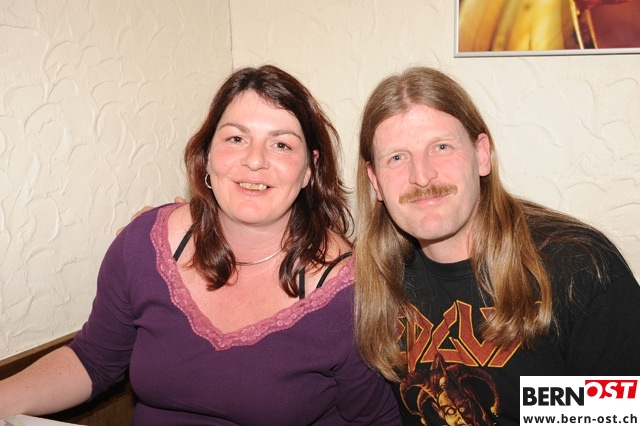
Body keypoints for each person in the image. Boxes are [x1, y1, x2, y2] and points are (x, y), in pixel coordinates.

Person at [0, 65, 400, 425]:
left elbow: (377, 419)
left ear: (310, 169)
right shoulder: (143, 246)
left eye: (281, 144)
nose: (255, 160)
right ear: (207, 155)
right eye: (236, 138)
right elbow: (93, 361)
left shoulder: (350, 295)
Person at [353, 66, 640, 426]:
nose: (421, 176)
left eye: (441, 147)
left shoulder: (576, 267)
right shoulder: (375, 277)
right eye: (397, 157)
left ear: (482, 154)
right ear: (375, 180)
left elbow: (620, 412)